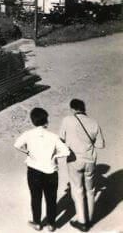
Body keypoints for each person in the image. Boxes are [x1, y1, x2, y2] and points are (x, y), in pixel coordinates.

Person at [14, 107, 71, 231]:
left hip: (33, 171)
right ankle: (51, 224)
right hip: (50, 172)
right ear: (46, 121)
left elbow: (17, 144)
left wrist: (28, 152)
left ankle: (37, 223)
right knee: (51, 199)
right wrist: (55, 156)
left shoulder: (28, 134)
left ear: (33, 121)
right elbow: (66, 151)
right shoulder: (53, 137)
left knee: (35, 198)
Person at [60, 99, 106, 232]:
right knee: (90, 191)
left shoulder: (67, 120)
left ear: (73, 109)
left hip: (74, 160)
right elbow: (100, 145)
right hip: (90, 161)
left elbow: (61, 139)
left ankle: (82, 222)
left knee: (77, 190)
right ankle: (90, 219)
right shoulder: (94, 123)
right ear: (84, 109)